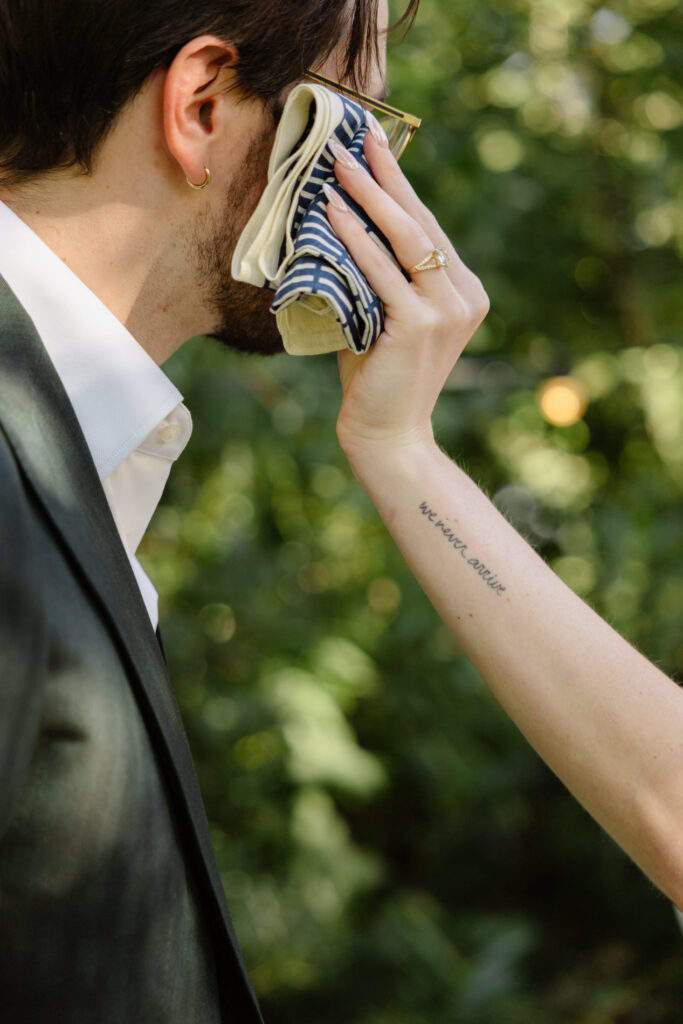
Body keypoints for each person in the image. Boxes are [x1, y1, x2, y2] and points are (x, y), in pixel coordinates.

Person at [0, 0, 679, 1020]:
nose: (377, 182)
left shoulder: (78, 462)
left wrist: (401, 450)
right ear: (201, 105)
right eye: (357, 119)